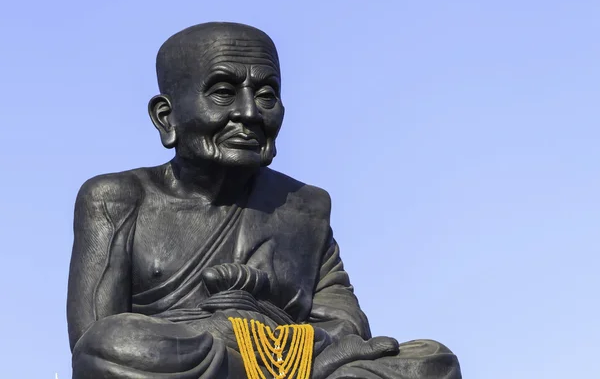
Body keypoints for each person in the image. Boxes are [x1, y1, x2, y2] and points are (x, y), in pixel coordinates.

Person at [67, 22, 462, 379]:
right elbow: (91, 340)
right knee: (114, 345)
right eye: (223, 93)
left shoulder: (304, 206)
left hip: (291, 361)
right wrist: (220, 329)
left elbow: (348, 325)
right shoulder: (116, 198)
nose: (250, 112)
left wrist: (260, 325)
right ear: (166, 118)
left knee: (431, 360)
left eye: (267, 94)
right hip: (190, 360)